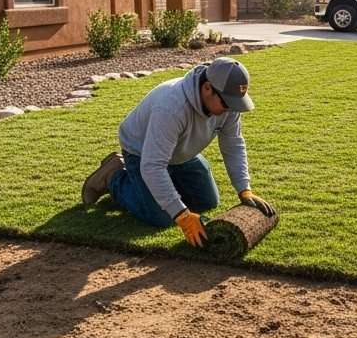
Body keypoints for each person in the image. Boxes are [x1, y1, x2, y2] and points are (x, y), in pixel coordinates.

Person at [81, 57, 276, 247]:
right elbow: (153, 165)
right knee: (162, 217)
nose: (230, 110)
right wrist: (181, 215)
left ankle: (165, 182)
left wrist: (244, 189)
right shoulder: (172, 107)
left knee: (207, 202)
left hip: (181, 153)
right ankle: (114, 177)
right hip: (142, 152)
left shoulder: (228, 106)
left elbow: (233, 144)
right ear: (207, 88)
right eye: (227, 104)